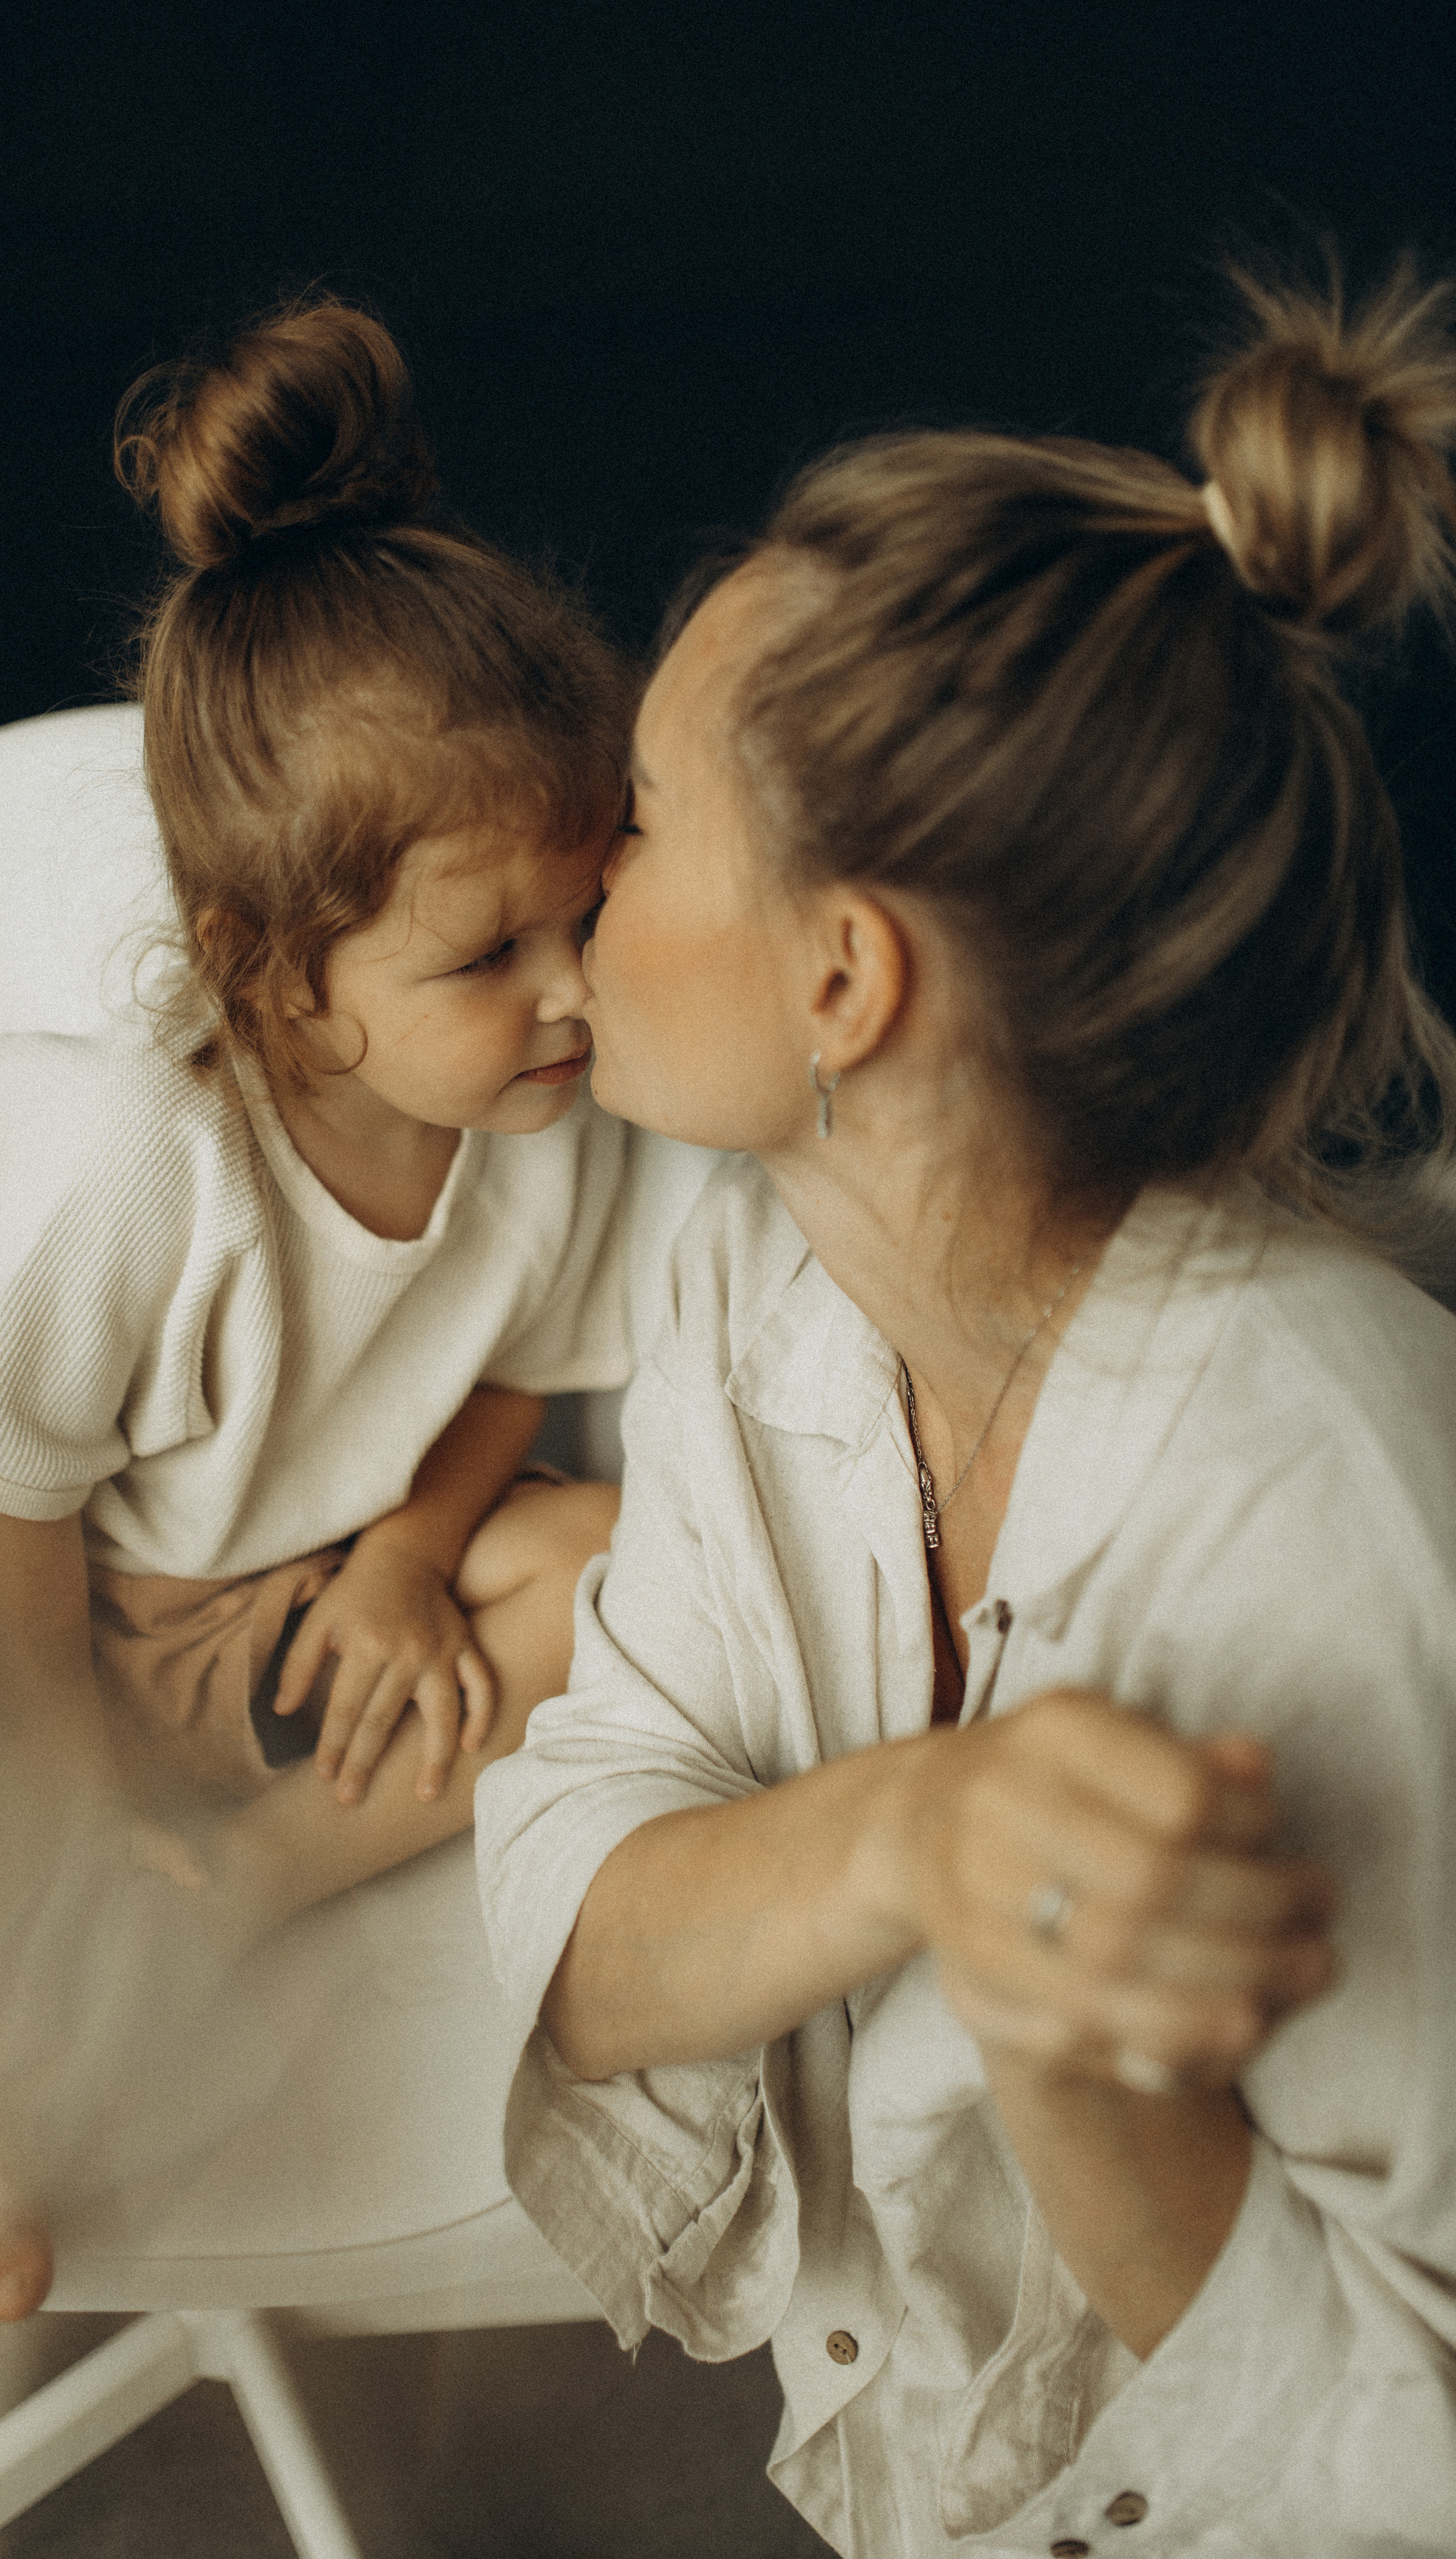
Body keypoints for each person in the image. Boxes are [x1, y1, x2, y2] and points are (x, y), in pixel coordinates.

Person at [476, 262, 1456, 2557]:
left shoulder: (1329, 1504)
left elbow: (1419, 2444)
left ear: (844, 978)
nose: (577, 873)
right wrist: (924, 1835)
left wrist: (1081, 2058)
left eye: (635, 815)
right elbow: (582, 1907)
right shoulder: (756, 1281)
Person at [0, 300, 632, 2367]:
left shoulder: (536, 1108)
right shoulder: (126, 1152)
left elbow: (514, 1369)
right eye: (494, 950)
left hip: (281, 1602)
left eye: (588, 915)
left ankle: (248, 1886)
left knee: (607, 1567)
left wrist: (415, 1559)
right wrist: (49, 1798)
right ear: (288, 979)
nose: (578, 991)